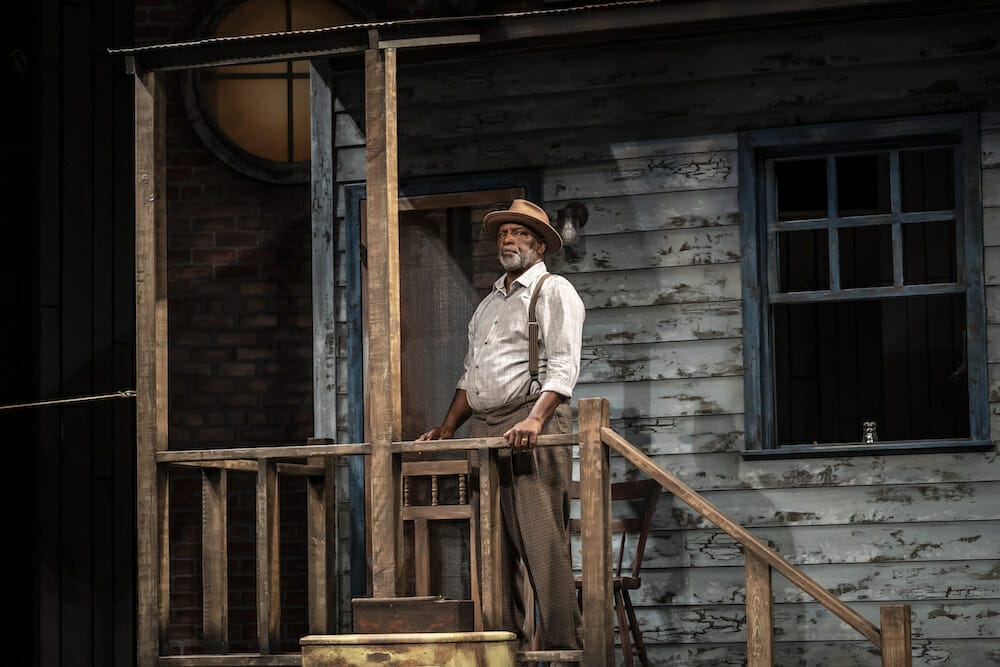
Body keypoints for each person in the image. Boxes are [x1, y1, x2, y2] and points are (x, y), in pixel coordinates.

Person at [417, 198, 585, 653]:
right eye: (502, 234)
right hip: (486, 430)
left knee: (541, 541)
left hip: (532, 423)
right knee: (492, 547)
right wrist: (449, 426)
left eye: (519, 233)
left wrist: (535, 418)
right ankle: (503, 650)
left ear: (541, 244)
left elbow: (564, 364)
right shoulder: (489, 304)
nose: (508, 240)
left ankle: (564, 652)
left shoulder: (552, 290)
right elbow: (472, 374)